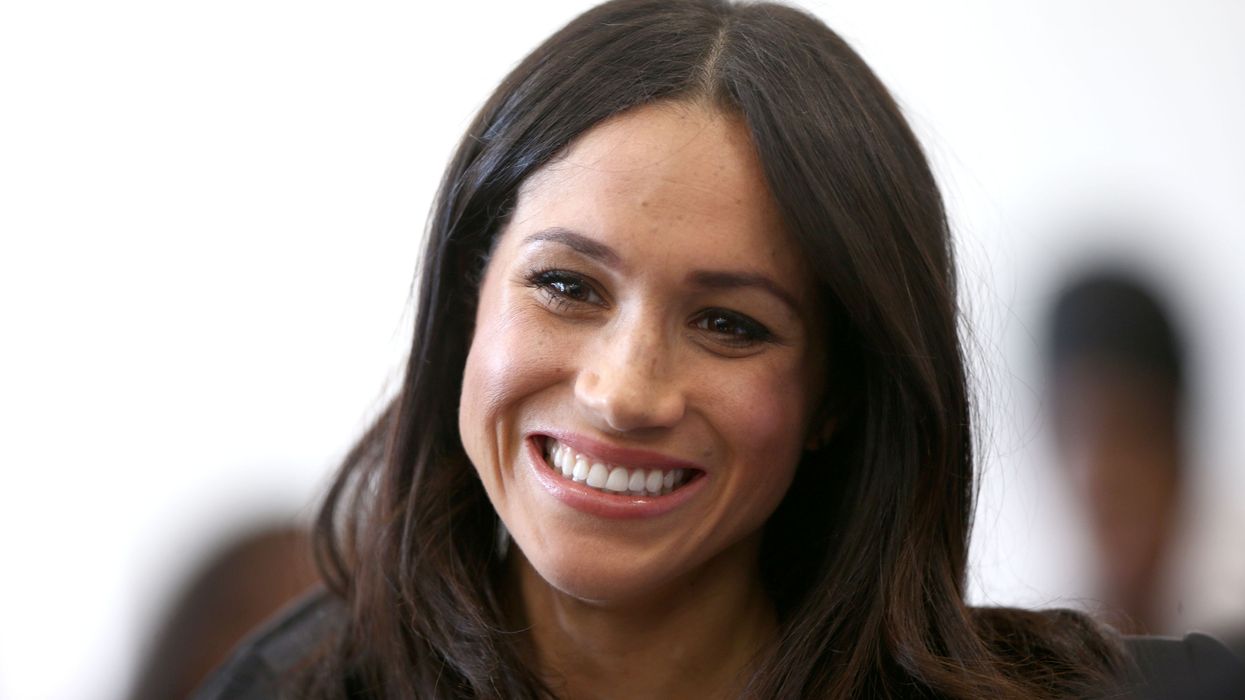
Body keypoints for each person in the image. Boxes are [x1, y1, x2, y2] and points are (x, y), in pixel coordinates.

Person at [196, 1, 1245, 697]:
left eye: (729, 323)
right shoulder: (293, 683)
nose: (621, 389)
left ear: (839, 388)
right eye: (566, 286)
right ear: (472, 290)